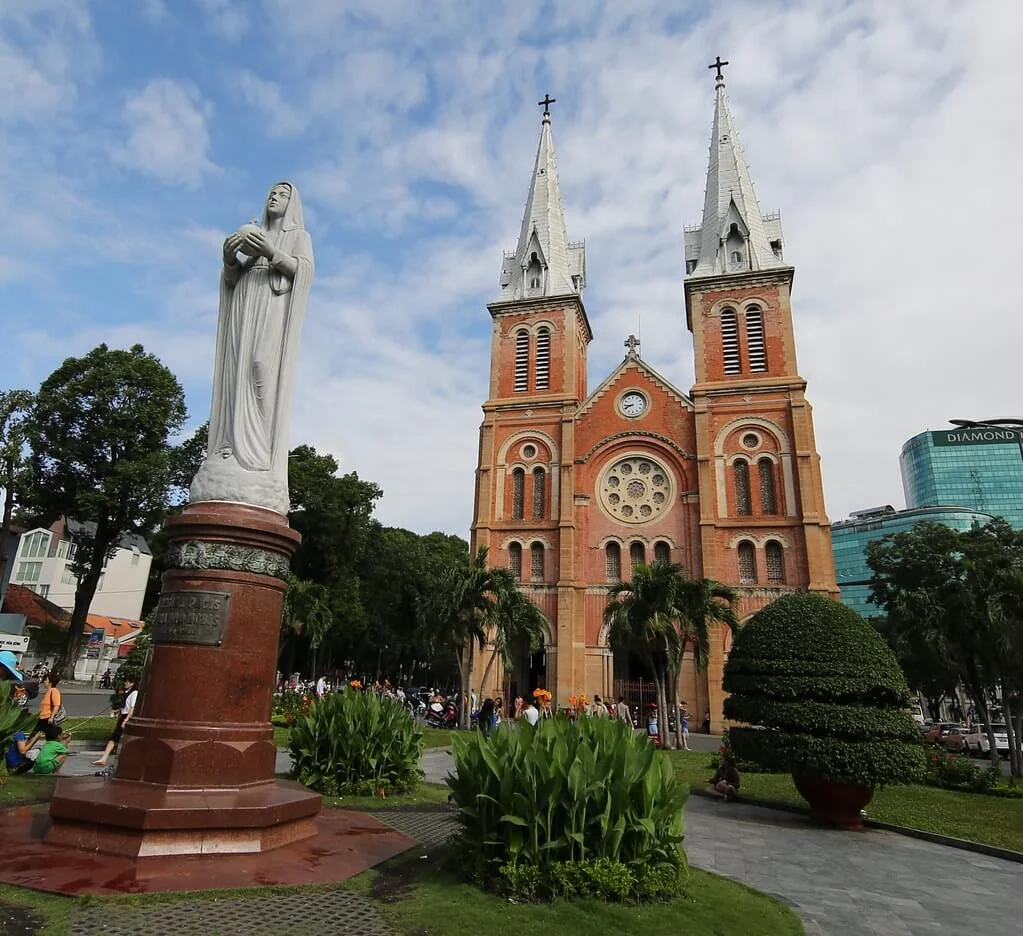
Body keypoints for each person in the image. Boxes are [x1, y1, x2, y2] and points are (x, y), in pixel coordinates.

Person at [190, 182, 314, 515]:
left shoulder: (298, 237)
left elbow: (305, 272)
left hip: (272, 305)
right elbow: (231, 279)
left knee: (261, 367)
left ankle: (257, 455)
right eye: (272, 193)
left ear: (292, 204)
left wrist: (272, 253)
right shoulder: (254, 230)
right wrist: (231, 259)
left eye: (283, 194)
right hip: (245, 302)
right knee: (238, 373)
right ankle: (228, 447)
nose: (275, 197)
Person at [93, 677, 137, 768]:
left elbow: (133, 708)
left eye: (127, 681)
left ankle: (120, 760)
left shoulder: (134, 693)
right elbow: (126, 707)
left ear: (132, 684)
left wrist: (126, 720)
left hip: (126, 717)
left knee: (122, 739)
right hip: (123, 715)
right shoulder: (127, 693)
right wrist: (117, 711)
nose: (125, 683)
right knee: (114, 738)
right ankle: (104, 759)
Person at [27, 672, 62, 751]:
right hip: (42, 718)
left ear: (50, 681)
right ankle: (25, 750)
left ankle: (56, 752)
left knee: (51, 739)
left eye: (46, 680)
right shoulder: (48, 691)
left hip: (48, 719)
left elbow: (57, 705)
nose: (44, 682)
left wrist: (51, 717)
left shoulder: (54, 691)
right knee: (36, 736)